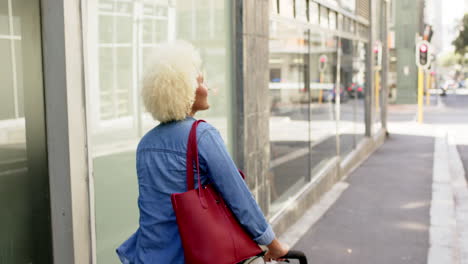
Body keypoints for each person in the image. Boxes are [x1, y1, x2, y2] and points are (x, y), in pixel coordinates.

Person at [116, 41, 288, 264]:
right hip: (191, 256)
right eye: (201, 81)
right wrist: (273, 245)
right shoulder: (202, 135)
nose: (208, 88)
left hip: (149, 256)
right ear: (185, 90)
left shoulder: (146, 144)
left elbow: (151, 208)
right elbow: (239, 197)